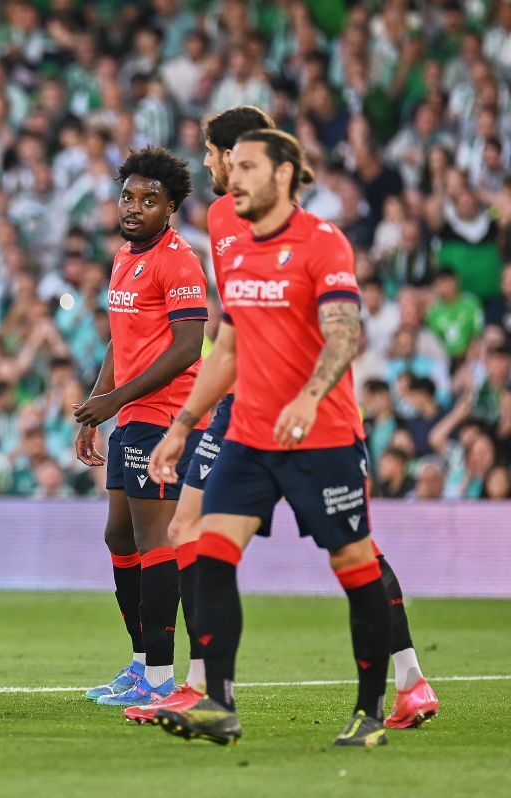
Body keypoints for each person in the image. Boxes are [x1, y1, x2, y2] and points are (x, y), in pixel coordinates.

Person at [145, 107, 438, 731]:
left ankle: (406, 677)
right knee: (192, 529)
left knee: (354, 552)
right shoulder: (224, 220)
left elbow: (331, 329)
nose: (209, 165)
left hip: (311, 421)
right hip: (241, 411)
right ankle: (207, 688)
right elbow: (232, 332)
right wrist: (188, 419)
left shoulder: (313, 237)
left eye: (217, 155)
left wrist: (304, 395)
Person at [71, 147, 207, 711]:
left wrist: (115, 401)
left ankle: (158, 676)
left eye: (149, 200)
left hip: (167, 418)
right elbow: (119, 341)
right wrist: (99, 404)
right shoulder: (125, 257)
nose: (134, 207)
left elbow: (189, 346)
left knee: (156, 542)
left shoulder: (180, 260)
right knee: (119, 538)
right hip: (130, 415)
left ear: (170, 207)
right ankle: (139, 663)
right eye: (128, 196)